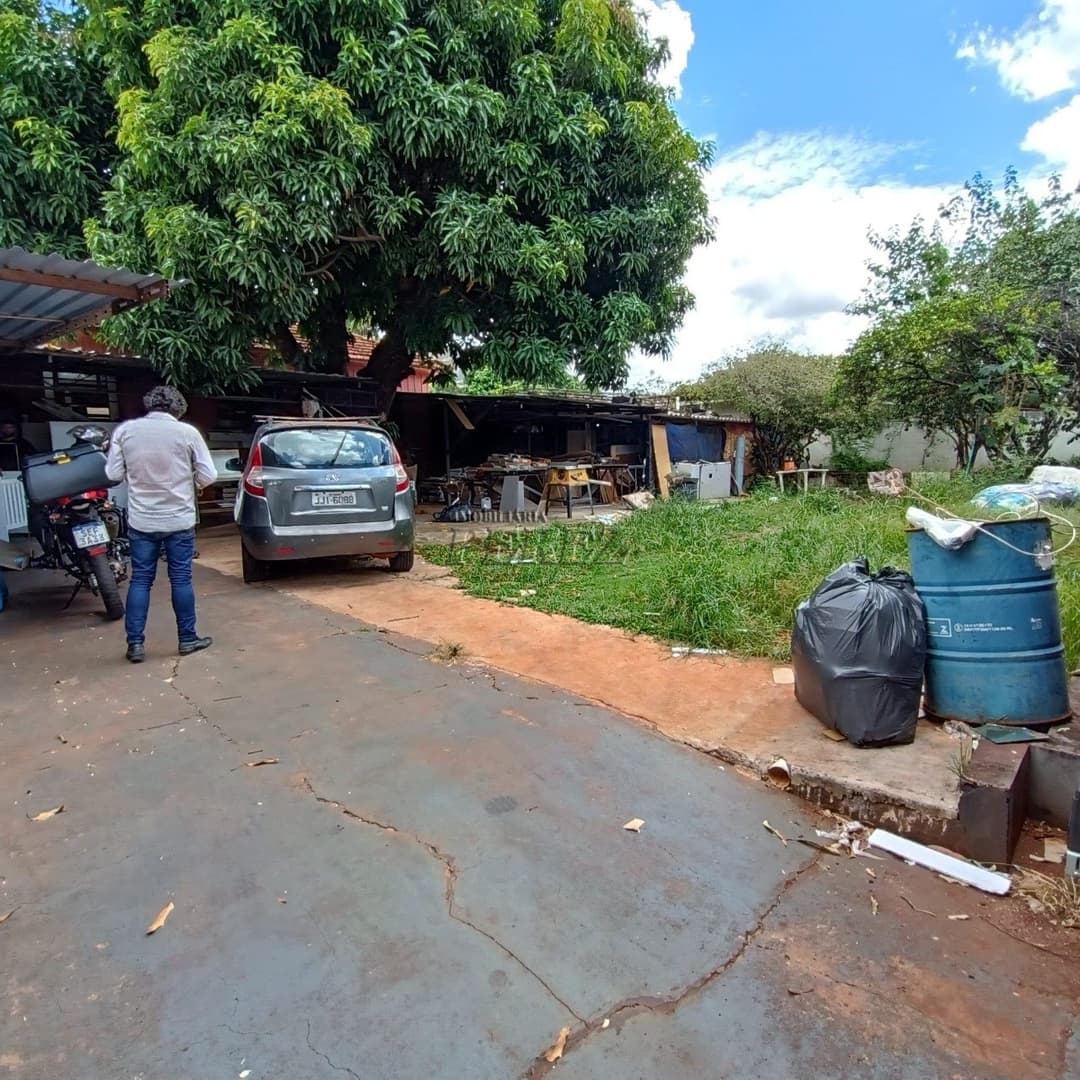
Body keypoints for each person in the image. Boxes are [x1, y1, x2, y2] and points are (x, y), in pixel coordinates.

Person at [105, 386, 217, 663]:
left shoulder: (126, 431)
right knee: (181, 579)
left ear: (149, 404)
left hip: (142, 520)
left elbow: (113, 473)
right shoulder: (187, 433)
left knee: (141, 580)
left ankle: (135, 644)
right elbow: (209, 475)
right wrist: (191, 481)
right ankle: (187, 638)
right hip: (179, 519)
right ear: (179, 407)